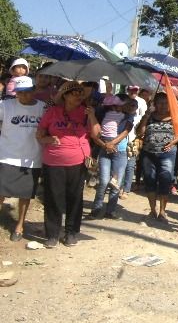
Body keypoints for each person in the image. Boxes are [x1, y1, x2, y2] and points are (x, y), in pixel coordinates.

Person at [36, 81, 101, 248]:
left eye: (81, 93)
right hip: (53, 161)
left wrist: (92, 115)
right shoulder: (53, 111)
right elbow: (39, 134)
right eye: (74, 93)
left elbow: (96, 135)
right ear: (65, 96)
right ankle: (52, 234)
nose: (79, 96)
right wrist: (48, 139)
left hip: (78, 162)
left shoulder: (85, 112)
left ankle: (71, 233)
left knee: (75, 198)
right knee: (53, 197)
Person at [0, 76, 45, 241]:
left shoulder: (43, 107)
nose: (24, 95)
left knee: (25, 195)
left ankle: (19, 226)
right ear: (16, 93)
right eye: (20, 92)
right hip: (6, 156)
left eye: (27, 92)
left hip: (31, 158)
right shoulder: (5, 105)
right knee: (0, 193)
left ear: (34, 91)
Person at [136, 92, 178, 222]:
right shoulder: (149, 116)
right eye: (160, 103)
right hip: (148, 153)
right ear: (155, 104)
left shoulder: (174, 117)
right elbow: (140, 133)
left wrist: (173, 142)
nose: (163, 105)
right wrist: (146, 116)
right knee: (149, 180)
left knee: (165, 180)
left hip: (168, 154)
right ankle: (152, 210)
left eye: (166, 103)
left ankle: (162, 211)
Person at [87, 94, 133, 220]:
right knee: (103, 181)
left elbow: (126, 131)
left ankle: (110, 211)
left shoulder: (128, 117)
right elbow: (95, 134)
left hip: (120, 152)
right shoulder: (103, 115)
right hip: (105, 150)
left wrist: (111, 143)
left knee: (115, 184)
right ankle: (96, 209)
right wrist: (105, 145)